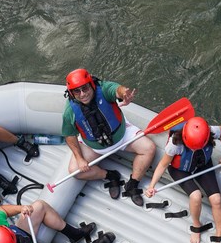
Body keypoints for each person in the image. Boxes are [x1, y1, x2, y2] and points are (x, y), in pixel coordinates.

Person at [61, 68, 156, 206]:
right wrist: (80, 159)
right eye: (77, 91)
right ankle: (110, 176)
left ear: (91, 84)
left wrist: (124, 94)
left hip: (122, 135)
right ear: (71, 92)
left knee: (149, 148)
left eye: (85, 88)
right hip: (93, 145)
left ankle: (133, 184)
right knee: (75, 171)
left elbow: (117, 89)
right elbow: (69, 135)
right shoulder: (69, 112)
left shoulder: (103, 89)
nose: (83, 94)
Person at [145, 116, 221, 243]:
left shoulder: (210, 131)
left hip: (202, 164)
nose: (194, 150)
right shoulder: (174, 144)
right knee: (196, 196)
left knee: (217, 200)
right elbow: (163, 165)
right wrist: (152, 185)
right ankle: (196, 226)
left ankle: (219, 234)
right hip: (180, 169)